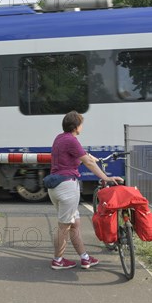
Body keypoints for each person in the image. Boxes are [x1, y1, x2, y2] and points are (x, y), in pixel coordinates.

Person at [48, 110, 124, 270]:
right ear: (76, 126)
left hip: (56, 188)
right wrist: (106, 178)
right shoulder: (71, 140)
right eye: (81, 124)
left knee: (74, 224)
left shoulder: (60, 138)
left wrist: (89, 157)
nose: (82, 127)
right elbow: (87, 163)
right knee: (64, 226)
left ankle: (85, 258)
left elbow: (77, 156)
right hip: (67, 187)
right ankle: (57, 260)